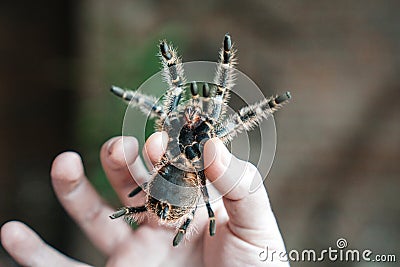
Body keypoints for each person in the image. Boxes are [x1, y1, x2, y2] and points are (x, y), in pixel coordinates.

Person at [1, 133, 289, 266]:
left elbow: (208, 204)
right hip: (175, 188)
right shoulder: (180, 153)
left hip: (176, 187)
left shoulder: (200, 164)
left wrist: (210, 217)